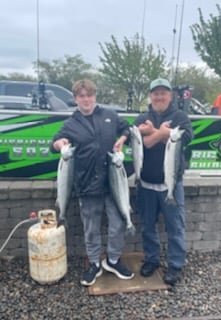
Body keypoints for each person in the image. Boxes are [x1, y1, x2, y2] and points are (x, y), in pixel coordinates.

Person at [51, 79, 134, 286]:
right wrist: (58, 144)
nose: (86, 99)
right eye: (81, 96)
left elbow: (128, 130)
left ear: (95, 96)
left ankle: (113, 260)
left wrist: (123, 139)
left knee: (118, 224)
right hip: (86, 185)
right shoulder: (71, 124)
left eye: (89, 95)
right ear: (75, 99)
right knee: (91, 228)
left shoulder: (110, 115)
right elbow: (53, 144)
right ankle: (95, 263)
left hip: (112, 183)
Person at [134, 77, 193, 286]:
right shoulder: (141, 117)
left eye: (163, 93)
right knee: (147, 226)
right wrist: (163, 134)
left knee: (175, 227)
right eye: (156, 93)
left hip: (171, 185)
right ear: (150, 96)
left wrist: (154, 132)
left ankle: (175, 265)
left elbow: (185, 138)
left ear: (170, 95)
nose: (159, 96)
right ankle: (151, 260)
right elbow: (144, 143)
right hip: (146, 185)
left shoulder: (180, 116)